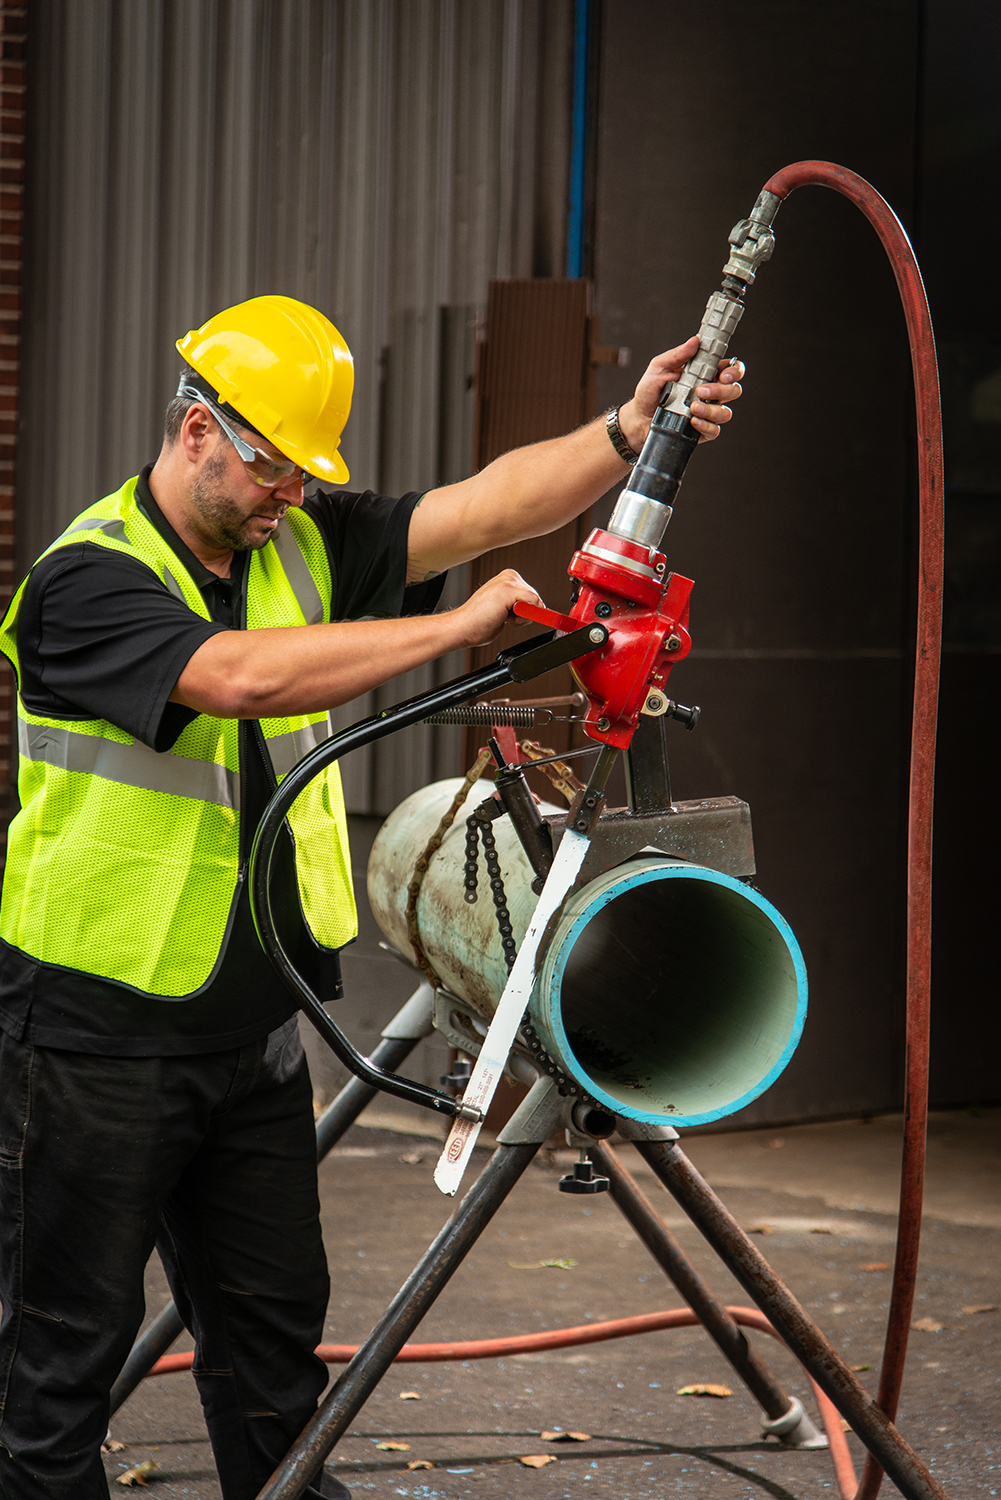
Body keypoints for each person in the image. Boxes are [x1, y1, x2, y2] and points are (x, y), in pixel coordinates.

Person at [0, 295, 743, 1499]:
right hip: (94, 1034)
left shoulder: (293, 538)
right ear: (198, 431)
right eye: (268, 468)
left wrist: (625, 428)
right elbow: (232, 678)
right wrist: (452, 629)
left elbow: (485, 505)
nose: (288, 495)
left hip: (250, 1030)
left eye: (304, 475)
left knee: (273, 1353)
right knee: (58, 1372)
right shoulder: (84, 580)